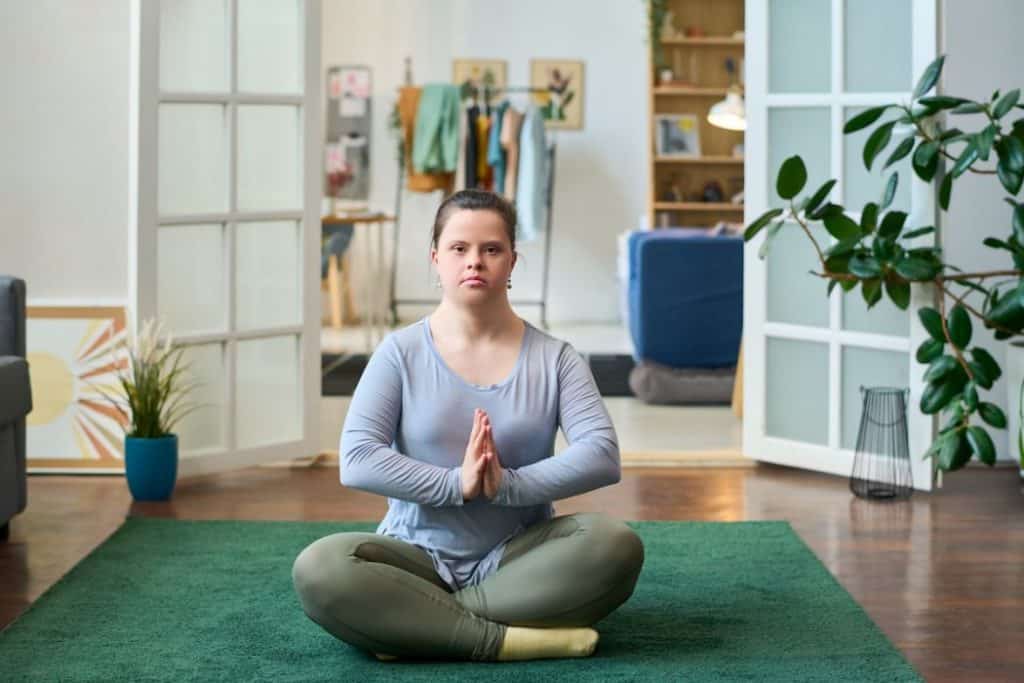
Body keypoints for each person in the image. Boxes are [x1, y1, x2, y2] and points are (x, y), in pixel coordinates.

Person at [292, 189, 645, 662]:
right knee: (321, 568)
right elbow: (356, 459)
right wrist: (455, 483)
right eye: (459, 249)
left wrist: (508, 485)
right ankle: (501, 639)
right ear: (436, 259)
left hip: (519, 559)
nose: (474, 262)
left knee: (616, 545)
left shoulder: (556, 358)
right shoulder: (399, 353)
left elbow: (601, 453)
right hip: (414, 559)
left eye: (491, 249)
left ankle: (417, 625)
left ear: (513, 261)